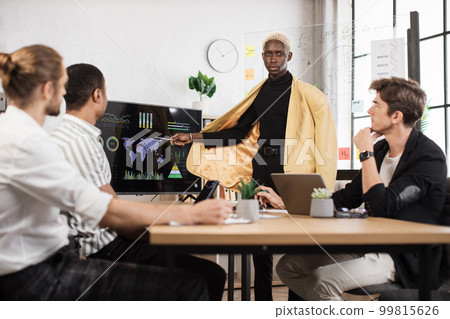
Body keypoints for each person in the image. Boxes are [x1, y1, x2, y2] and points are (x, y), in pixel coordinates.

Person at [0, 44, 232, 301]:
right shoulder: (28, 142)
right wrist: (189, 213)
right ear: (47, 89)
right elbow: (104, 209)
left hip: (50, 258)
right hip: (36, 275)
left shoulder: (23, 135)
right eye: (62, 85)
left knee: (195, 274)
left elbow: (71, 207)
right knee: (191, 284)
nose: (65, 93)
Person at [171, 31, 337, 300]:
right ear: (262, 57)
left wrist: (324, 188)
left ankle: (295, 303)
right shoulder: (257, 93)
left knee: (298, 237)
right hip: (262, 168)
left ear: (289, 57)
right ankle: (262, 303)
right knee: (260, 242)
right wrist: (193, 136)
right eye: (269, 54)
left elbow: (326, 144)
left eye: (279, 53)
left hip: (295, 172)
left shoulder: (311, 96)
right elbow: (237, 132)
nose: (273, 58)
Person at [259, 77, 447, 300]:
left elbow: (382, 206)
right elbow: (348, 197)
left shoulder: (428, 158)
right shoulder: (381, 149)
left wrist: (365, 154)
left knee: (321, 281)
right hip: (367, 246)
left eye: (377, 105)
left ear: (396, 116)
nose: (369, 110)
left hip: (401, 257)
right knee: (288, 266)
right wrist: (286, 202)